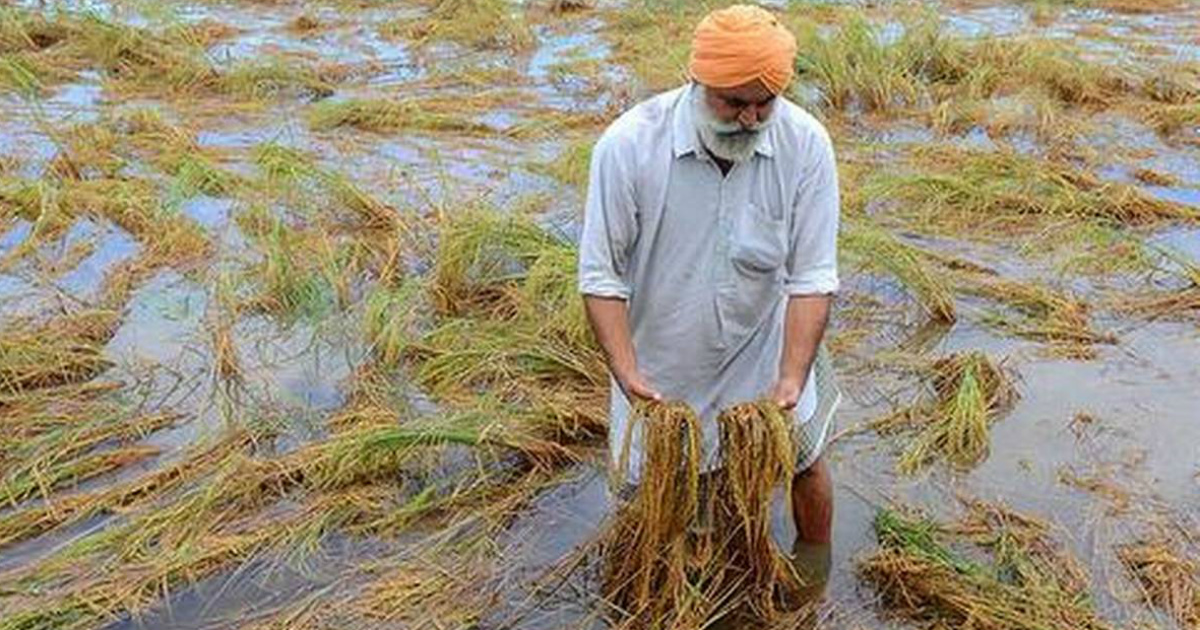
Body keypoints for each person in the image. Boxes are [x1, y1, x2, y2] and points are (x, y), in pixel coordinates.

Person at [577, 4, 841, 550]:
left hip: (770, 353)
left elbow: (812, 278)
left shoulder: (806, 145)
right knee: (648, 500)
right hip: (660, 366)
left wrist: (792, 377)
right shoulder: (628, 148)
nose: (749, 118)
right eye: (734, 103)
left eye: (764, 104)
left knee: (807, 464)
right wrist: (629, 377)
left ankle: (813, 582)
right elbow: (602, 278)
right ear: (696, 81)